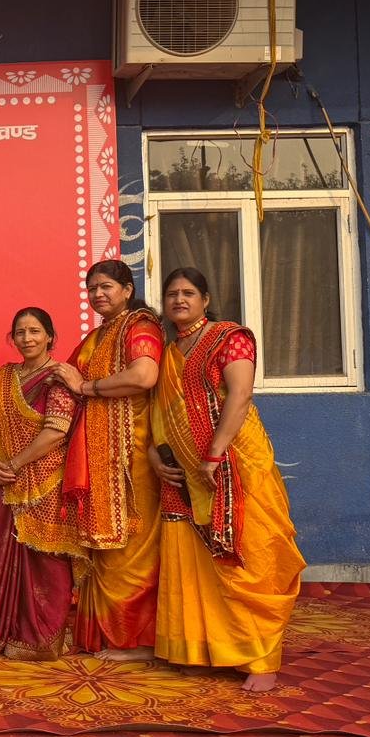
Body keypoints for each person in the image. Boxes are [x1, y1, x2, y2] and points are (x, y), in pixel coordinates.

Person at [148, 267, 305, 691]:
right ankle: (203, 650)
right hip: (183, 470)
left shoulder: (230, 337)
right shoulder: (169, 353)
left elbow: (240, 394)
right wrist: (153, 454)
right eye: (172, 294)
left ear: (206, 299)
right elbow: (159, 414)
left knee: (249, 551)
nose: (179, 300)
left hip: (235, 461)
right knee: (193, 559)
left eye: (188, 293)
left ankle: (260, 657)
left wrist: (215, 454)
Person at [50, 259, 163, 660]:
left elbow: (144, 376)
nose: (98, 294)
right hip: (100, 454)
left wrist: (87, 387)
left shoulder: (140, 326)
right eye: (92, 288)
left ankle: (138, 641)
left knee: (133, 547)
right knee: (106, 549)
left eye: (106, 287)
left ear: (127, 290)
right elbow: (64, 378)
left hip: (132, 456)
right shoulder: (98, 336)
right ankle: (107, 635)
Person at [0, 308, 85, 659]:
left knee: (47, 563)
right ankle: (1, 633)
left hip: (47, 481)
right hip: (6, 481)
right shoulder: (3, 377)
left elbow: (57, 430)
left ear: (50, 337)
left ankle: (41, 639)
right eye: (20, 332)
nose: (27, 338)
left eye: (35, 331)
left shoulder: (59, 377)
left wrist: (14, 463)